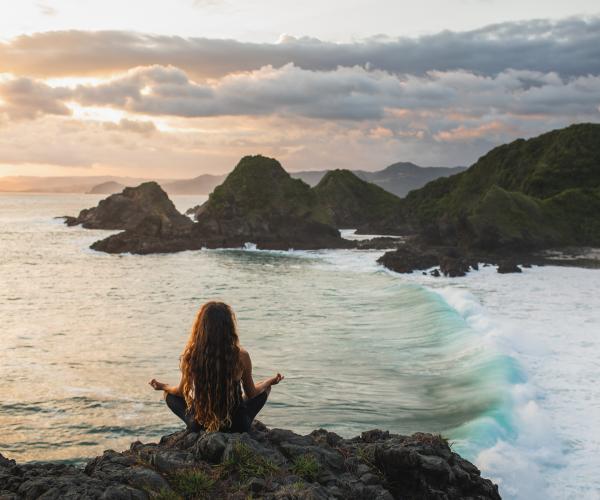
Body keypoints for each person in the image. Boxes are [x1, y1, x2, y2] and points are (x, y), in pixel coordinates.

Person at [149, 301, 284, 433]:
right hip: (238, 425)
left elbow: (180, 392)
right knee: (265, 389)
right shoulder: (241, 356)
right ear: (229, 327)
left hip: (200, 424)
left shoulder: (192, 356)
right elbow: (252, 393)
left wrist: (163, 386)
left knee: (169, 395)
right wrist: (269, 382)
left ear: (201, 327)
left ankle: (195, 423)